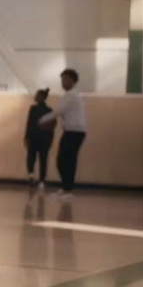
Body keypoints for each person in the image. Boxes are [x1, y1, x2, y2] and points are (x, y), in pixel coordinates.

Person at [39, 68, 87, 201]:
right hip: (71, 131)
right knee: (62, 160)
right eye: (62, 79)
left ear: (72, 81)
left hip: (75, 132)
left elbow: (58, 111)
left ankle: (68, 191)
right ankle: (65, 188)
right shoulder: (70, 95)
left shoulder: (72, 95)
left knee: (67, 161)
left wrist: (42, 120)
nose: (63, 82)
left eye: (65, 79)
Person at [24, 88, 54, 190]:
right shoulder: (50, 110)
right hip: (45, 138)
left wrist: (26, 137)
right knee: (43, 159)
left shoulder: (33, 109)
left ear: (41, 97)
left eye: (36, 95)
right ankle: (42, 181)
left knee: (31, 158)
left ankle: (31, 176)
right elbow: (51, 127)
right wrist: (50, 140)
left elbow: (29, 124)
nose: (35, 96)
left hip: (33, 137)